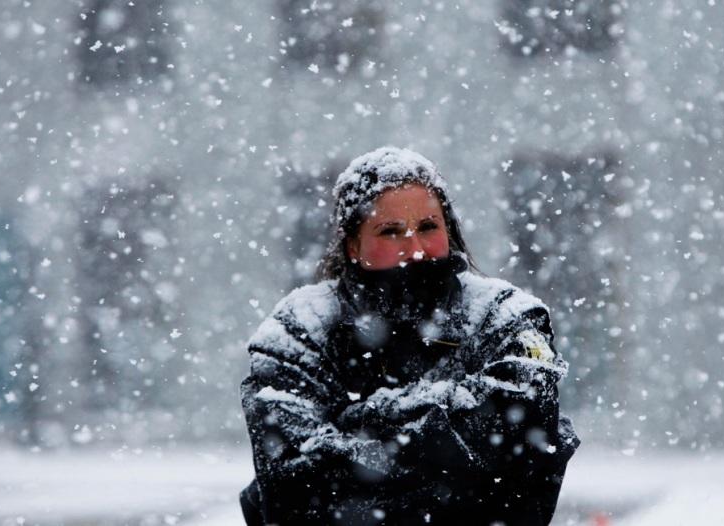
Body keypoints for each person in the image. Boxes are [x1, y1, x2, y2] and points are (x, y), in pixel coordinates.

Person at [239, 146, 579, 525]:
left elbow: (524, 441)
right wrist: (451, 445)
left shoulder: (507, 316)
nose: (416, 249)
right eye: (391, 231)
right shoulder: (297, 329)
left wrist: (359, 421)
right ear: (353, 245)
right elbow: (291, 485)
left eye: (428, 227)